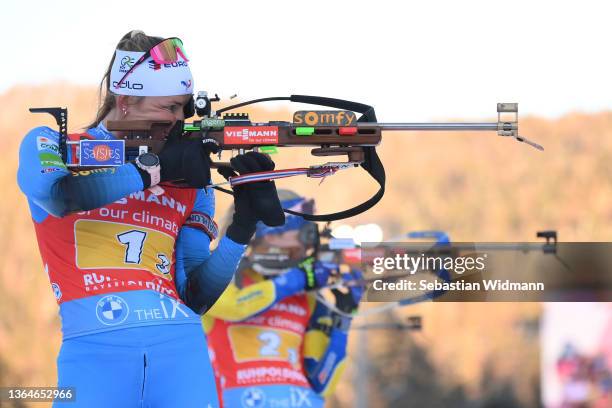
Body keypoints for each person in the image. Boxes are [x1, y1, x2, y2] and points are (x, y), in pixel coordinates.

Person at [17, 30, 283, 407]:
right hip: (93, 353)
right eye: (168, 108)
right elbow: (59, 196)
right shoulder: (54, 144)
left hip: (182, 352)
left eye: (182, 109)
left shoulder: (190, 181)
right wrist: (153, 169)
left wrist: (242, 226)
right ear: (124, 100)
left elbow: (197, 294)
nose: (178, 121)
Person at [203, 190, 363, 407]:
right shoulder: (222, 274)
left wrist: (342, 319)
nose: (303, 243)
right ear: (267, 232)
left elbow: (323, 382)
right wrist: (297, 279)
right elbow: (235, 307)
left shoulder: (307, 296)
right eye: (296, 231)